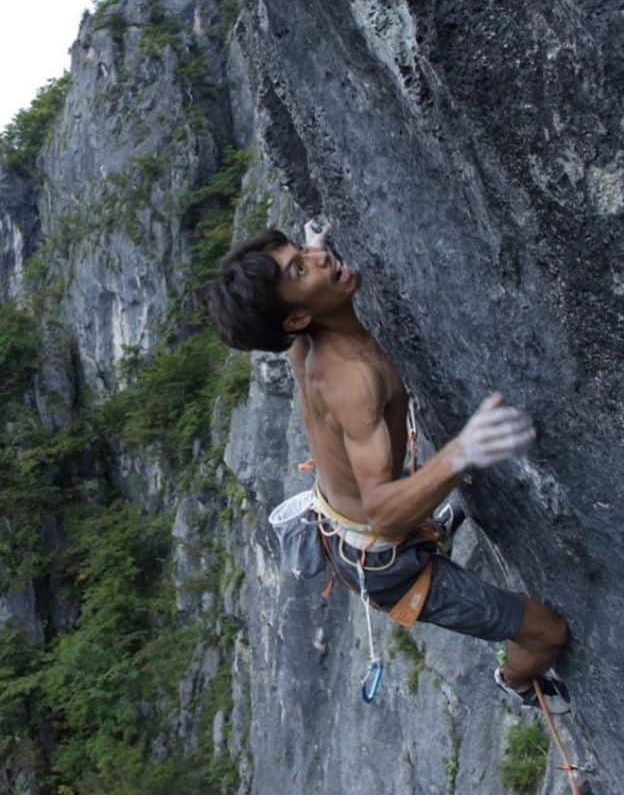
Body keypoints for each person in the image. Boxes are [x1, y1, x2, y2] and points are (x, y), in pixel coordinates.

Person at [205, 223, 571, 713]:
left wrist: (309, 253)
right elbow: (384, 514)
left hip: (341, 522)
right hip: (390, 565)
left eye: (303, 252)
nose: (320, 259)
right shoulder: (351, 380)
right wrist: (461, 452)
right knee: (547, 632)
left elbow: (287, 306)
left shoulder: (301, 339)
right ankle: (515, 682)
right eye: (301, 267)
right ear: (295, 318)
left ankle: (437, 525)